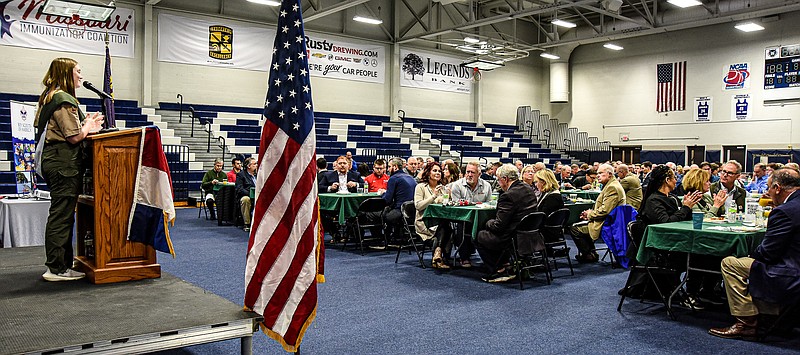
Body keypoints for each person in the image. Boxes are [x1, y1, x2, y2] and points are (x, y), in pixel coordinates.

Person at [708, 169, 800, 340]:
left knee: (730, 263)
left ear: (778, 188)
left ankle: (747, 322)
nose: (767, 192)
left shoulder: (784, 211)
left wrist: (751, 253)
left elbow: (767, 254)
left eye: (769, 188)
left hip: (791, 271)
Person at [36, 57, 104, 281]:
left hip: (56, 160)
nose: (81, 76)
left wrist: (86, 126)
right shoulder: (63, 99)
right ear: (66, 73)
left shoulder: (49, 96)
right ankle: (56, 268)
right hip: (63, 162)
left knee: (62, 214)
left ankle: (62, 265)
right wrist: (87, 127)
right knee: (61, 216)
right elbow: (74, 136)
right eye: (78, 71)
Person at [639, 166, 708, 307]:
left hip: (675, 242)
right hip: (661, 248)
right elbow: (666, 224)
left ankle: (706, 291)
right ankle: (690, 294)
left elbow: (684, 220)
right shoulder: (654, 201)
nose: (677, 181)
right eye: (674, 178)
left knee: (709, 253)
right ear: (667, 180)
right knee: (701, 257)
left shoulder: (672, 198)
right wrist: (686, 207)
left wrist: (688, 207)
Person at [475, 164, 537, 283]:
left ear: (505, 179)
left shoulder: (508, 196)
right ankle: (506, 263)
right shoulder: (528, 189)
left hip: (512, 238)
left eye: (498, 180)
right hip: (530, 234)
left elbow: (498, 226)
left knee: (478, 235)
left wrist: (487, 222)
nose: (498, 183)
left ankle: (498, 269)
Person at [569, 164, 625, 263]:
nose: (597, 175)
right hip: (609, 220)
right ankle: (592, 253)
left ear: (609, 174)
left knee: (574, 228)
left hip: (607, 223)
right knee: (580, 225)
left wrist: (590, 214)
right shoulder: (611, 185)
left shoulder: (612, 187)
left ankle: (589, 255)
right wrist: (589, 213)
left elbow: (605, 210)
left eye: (600, 173)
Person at [449, 161, 493, 268]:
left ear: (479, 174)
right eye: (467, 172)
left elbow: (489, 204)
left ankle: (490, 259)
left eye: (472, 172)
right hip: (463, 218)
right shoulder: (457, 186)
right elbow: (456, 207)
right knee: (462, 225)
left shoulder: (486, 186)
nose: (469, 175)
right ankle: (464, 257)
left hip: (481, 219)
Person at [413, 162, 453, 269]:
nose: (438, 173)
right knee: (446, 226)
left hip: (439, 221)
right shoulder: (420, 187)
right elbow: (418, 206)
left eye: (439, 171)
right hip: (424, 222)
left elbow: (446, 207)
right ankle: (440, 258)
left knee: (447, 224)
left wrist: (450, 197)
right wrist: (434, 196)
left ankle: (438, 253)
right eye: (434, 170)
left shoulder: (443, 188)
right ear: (428, 172)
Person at [378, 158, 417, 242]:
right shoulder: (410, 177)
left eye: (389, 167)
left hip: (400, 211)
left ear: (395, 167)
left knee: (380, 215)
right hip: (413, 211)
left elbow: (387, 200)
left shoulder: (394, 178)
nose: (388, 169)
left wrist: (382, 194)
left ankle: (382, 240)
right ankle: (396, 236)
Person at [236, 157, 257, 232]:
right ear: (248, 166)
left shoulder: (258, 175)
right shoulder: (241, 175)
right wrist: (250, 194)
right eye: (254, 164)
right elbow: (239, 189)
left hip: (258, 196)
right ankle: (247, 223)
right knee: (245, 200)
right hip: (247, 196)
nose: (256, 165)